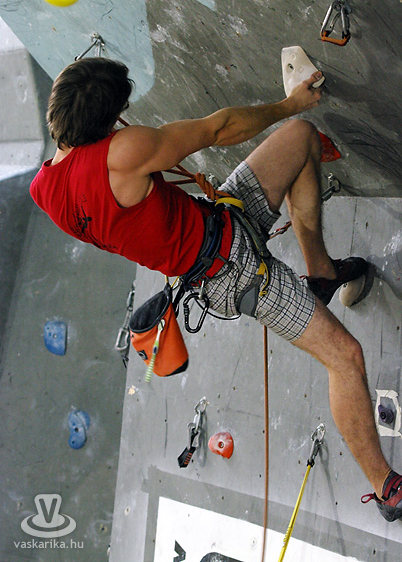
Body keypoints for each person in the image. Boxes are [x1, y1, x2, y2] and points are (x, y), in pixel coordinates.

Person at [30, 57, 402, 521]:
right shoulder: (121, 155)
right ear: (107, 125)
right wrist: (290, 102)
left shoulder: (44, 190)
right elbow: (217, 128)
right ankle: (385, 487)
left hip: (221, 220)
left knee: (301, 138)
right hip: (233, 273)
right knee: (345, 357)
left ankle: (321, 273)